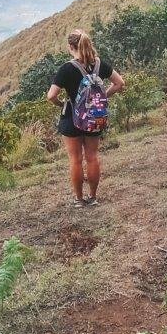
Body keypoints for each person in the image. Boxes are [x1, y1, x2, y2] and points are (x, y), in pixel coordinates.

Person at [46, 29, 124, 207]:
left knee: (75, 159)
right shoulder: (99, 65)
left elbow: (51, 96)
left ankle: (79, 200)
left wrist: (63, 104)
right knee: (92, 157)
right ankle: (93, 197)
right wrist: (102, 96)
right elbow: (120, 83)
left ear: (70, 47)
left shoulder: (67, 68)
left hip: (71, 119)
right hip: (94, 118)